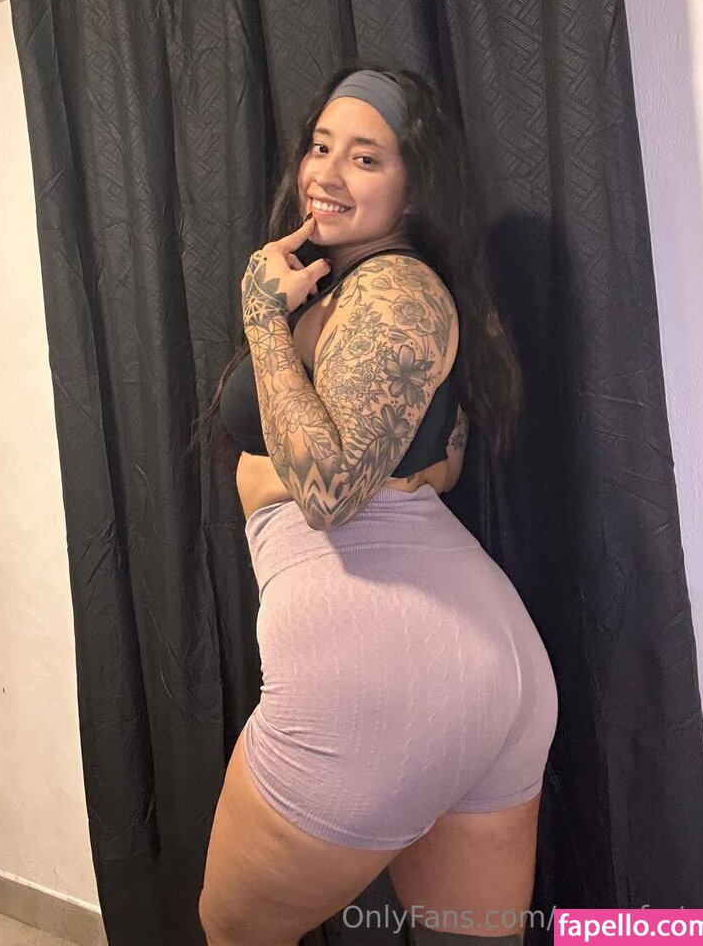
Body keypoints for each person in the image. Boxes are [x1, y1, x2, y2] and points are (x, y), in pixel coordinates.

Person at [194, 64, 559, 946]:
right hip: (481, 662)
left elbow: (326, 493)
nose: (325, 173)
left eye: (365, 158)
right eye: (320, 147)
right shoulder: (384, 290)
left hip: (371, 667)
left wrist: (261, 321)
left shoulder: (392, 290)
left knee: (233, 932)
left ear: (412, 186)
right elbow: (439, 460)